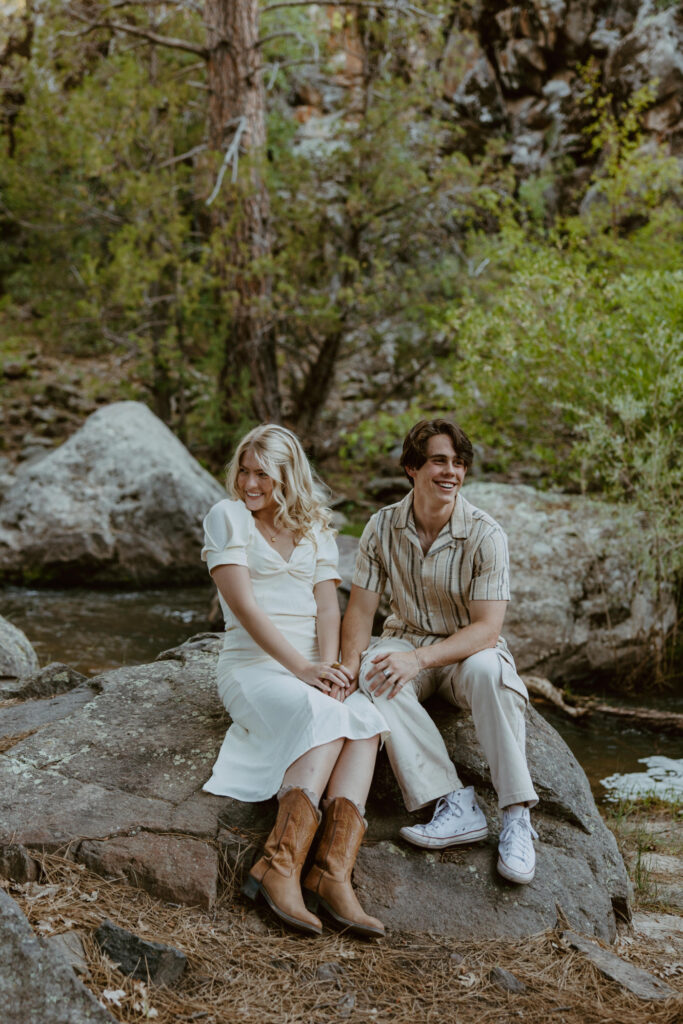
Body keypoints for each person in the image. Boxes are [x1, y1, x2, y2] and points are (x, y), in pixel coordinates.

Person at [201, 424, 388, 937]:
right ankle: (278, 865)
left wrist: (328, 670)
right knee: (326, 717)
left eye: (264, 472)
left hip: (308, 669)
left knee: (366, 724)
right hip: (254, 667)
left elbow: (329, 610)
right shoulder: (228, 518)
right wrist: (301, 671)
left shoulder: (316, 528)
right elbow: (244, 606)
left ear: (289, 476)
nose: (250, 482)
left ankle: (332, 875)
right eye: (245, 469)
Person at [341, 418, 539, 885]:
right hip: (405, 636)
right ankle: (455, 802)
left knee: (492, 669)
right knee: (374, 669)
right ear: (412, 467)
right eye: (438, 461)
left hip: (464, 654)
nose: (450, 471)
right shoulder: (381, 526)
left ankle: (516, 816)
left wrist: (419, 660)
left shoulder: (487, 535)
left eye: (458, 463)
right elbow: (359, 612)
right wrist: (348, 668)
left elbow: (487, 631)